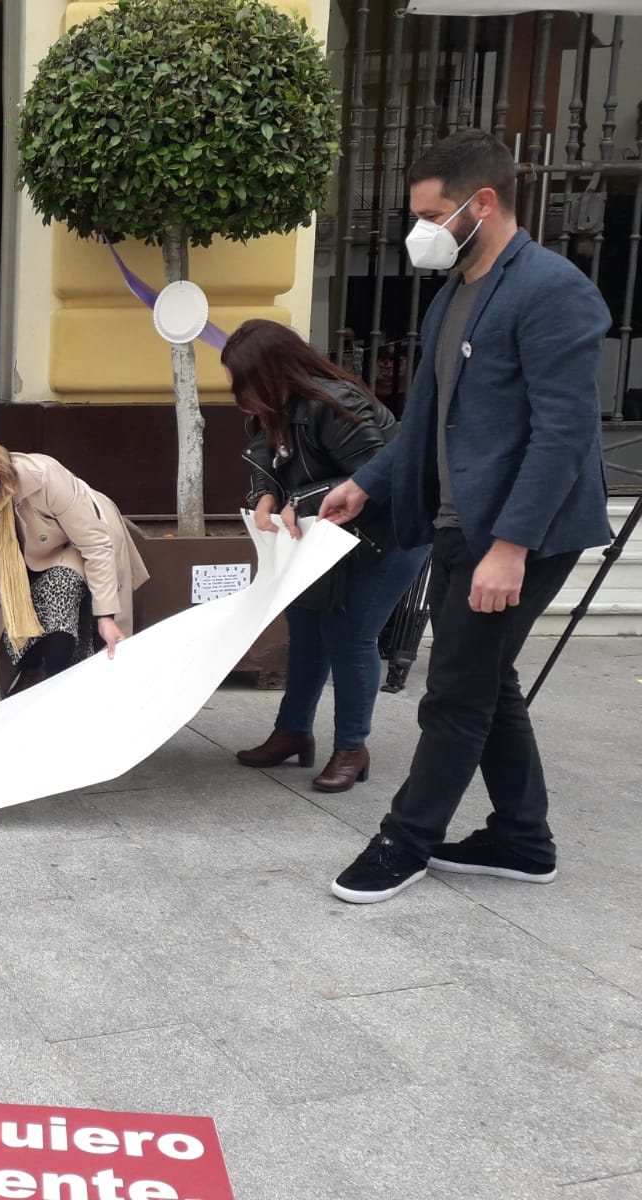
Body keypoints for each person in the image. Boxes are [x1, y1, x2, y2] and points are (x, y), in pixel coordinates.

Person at [318, 130, 614, 904]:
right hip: (456, 523)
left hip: (521, 534)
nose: (423, 231)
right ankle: (521, 838)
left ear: (483, 204)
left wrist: (510, 547)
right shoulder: (455, 294)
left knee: (454, 692)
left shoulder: (553, 290)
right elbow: (425, 421)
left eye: (434, 214)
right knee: (488, 681)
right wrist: (369, 485)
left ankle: (403, 841)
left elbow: (565, 434)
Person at [225, 319, 430, 793]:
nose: (238, 393)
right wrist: (265, 495)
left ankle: (352, 749)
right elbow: (268, 461)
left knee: (351, 633)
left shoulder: (335, 404)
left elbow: (375, 477)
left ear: (275, 372)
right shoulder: (270, 409)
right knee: (305, 625)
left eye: (244, 380)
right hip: (326, 536)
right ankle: (293, 731)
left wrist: (301, 500)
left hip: (390, 534)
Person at [0, 431, 148, 715]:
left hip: (77, 543)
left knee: (59, 589)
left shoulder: (44, 477)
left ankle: (55, 689)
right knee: (23, 605)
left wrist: (106, 617)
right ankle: (35, 673)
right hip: (21, 566)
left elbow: (95, 544)